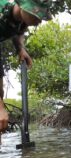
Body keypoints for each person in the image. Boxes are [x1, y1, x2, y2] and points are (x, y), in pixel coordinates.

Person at [0, 0, 52, 133]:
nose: (40, 21)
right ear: (23, 7)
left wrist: (20, 49)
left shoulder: (20, 18)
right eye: (37, 15)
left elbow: (19, 31)